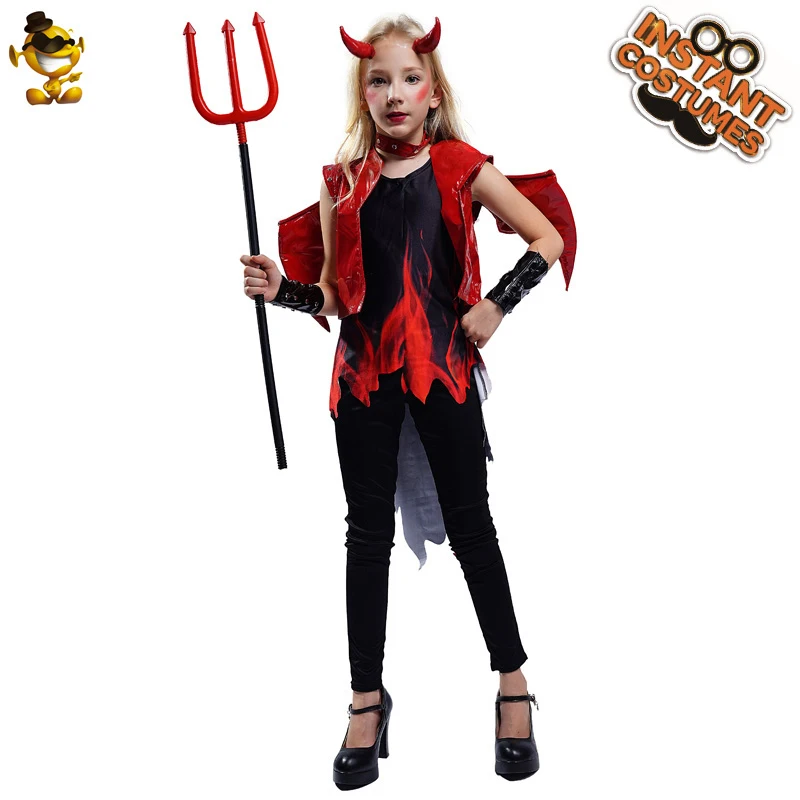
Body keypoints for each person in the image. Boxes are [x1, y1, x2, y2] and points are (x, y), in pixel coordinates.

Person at [241, 14, 575, 790]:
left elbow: (547, 238)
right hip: (363, 377)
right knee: (365, 536)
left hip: (443, 369)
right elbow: (334, 294)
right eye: (379, 80)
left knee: (473, 527)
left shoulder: (460, 165)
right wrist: (282, 290)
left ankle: (513, 684)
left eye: (410, 79)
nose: (395, 93)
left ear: (433, 93)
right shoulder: (342, 181)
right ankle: (367, 700)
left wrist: (497, 303)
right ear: (364, 94)